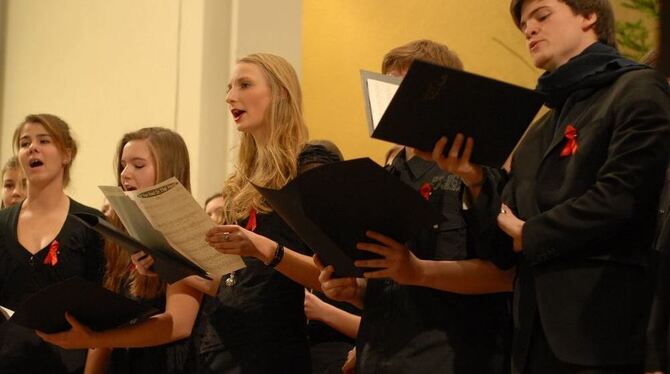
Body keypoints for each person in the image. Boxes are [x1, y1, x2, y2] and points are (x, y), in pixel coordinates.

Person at [419, 1, 670, 372]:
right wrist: (473, 179)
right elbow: (503, 246)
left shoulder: (638, 88)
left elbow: (622, 197)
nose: (529, 30)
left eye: (542, 15)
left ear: (589, 16)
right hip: (532, 337)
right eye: (523, 24)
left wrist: (532, 232)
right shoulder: (537, 131)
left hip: (604, 330)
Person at [318, 39, 514, 373]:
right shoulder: (385, 175)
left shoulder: (480, 171)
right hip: (380, 356)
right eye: (390, 89)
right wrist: (354, 290)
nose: (398, 103)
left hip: (450, 357)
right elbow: (393, 287)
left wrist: (418, 271)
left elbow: (506, 275)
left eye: (408, 90)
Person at [39, 127, 202, 374]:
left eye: (138, 165)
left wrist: (97, 338)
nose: (125, 174)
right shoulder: (121, 229)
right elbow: (108, 321)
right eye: (123, 165)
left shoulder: (186, 230)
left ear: (168, 170)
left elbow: (178, 324)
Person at [0, 114, 106, 373]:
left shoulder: (92, 224)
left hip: (70, 366)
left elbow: (104, 315)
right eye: (25, 143)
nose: (32, 148)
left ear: (67, 154)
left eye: (44, 140)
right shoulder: (2, 224)